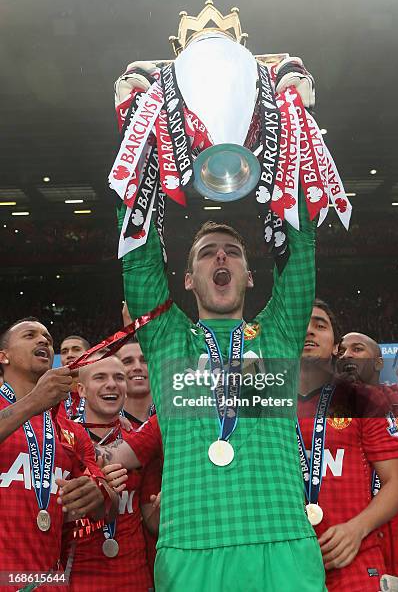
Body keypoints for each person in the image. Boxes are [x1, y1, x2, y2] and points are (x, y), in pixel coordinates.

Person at [98, 188, 328, 591]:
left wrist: (284, 164)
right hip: (191, 547)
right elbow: (138, 261)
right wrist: (142, 165)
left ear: (250, 275)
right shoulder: (168, 340)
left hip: (283, 546)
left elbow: (301, 255)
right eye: (206, 253)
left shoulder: (277, 335)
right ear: (188, 280)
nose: (220, 257)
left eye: (232, 252)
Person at [297, 301, 398, 591]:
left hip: (354, 560)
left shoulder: (363, 399)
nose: (310, 331)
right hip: (285, 561)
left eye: (320, 326)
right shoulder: (261, 404)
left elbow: (396, 484)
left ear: (335, 346)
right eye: (301, 323)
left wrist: (356, 529)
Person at [0, 317, 117, 589]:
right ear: (3, 356)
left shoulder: (71, 431)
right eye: (30, 335)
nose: (43, 340)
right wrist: (32, 403)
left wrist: (97, 495)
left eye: (47, 338)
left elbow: (108, 507)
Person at [63, 355, 160, 591]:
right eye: (100, 377)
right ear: (82, 391)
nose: (112, 384)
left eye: (119, 377)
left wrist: (163, 509)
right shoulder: (61, 440)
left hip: (134, 577)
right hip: (76, 577)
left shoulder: (140, 442)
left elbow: (151, 521)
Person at [338, 329, 398, 579]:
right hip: (349, 557)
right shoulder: (319, 416)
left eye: (357, 349)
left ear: (379, 362)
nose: (346, 355)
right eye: (341, 351)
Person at [116, 341, 152, 427]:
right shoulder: (103, 426)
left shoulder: (175, 417)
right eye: (127, 362)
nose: (137, 367)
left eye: (145, 360)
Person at [59, 335, 91, 420]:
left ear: (89, 355)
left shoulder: (101, 393)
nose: (69, 355)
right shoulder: (52, 398)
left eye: (76, 349)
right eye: (64, 352)